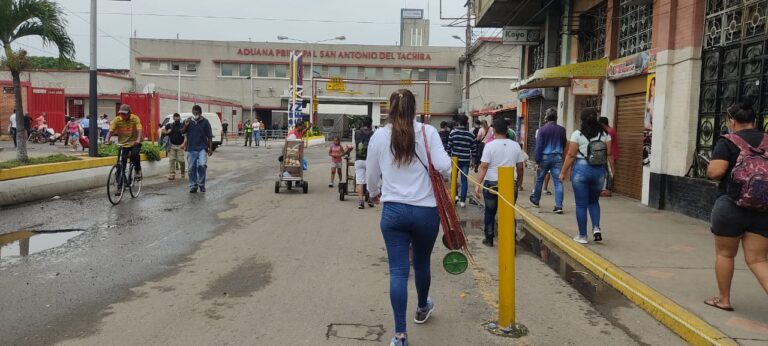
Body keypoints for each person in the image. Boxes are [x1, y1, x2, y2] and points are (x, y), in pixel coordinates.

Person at [366, 89, 450, 346]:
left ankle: (400, 336)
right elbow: (444, 166)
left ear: (389, 109)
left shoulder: (379, 136)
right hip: (426, 211)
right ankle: (423, 307)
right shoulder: (428, 132)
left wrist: (374, 193)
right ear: (415, 109)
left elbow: (371, 174)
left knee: (398, 271)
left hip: (394, 212)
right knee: (422, 264)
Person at [704, 100, 768, 311]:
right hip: (763, 208)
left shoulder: (728, 141)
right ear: (754, 120)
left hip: (731, 206)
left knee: (725, 254)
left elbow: (715, 172)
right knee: (758, 260)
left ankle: (724, 300)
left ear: (732, 121)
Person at [559, 108, 613, 244]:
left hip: (581, 170)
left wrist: (563, 172)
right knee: (594, 202)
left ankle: (582, 236)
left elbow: (571, 155)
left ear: (582, 120)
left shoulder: (577, 134)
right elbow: (609, 154)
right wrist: (612, 171)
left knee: (581, 205)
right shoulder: (605, 134)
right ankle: (596, 228)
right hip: (599, 171)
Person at [474, 118, 525, 247]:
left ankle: (489, 238)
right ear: (507, 130)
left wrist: (477, 184)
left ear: (494, 130)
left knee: (490, 212)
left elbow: (483, 166)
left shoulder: (489, 146)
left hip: (491, 184)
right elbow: (520, 167)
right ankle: (510, 241)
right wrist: (519, 182)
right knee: (509, 213)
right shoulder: (516, 145)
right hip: (510, 184)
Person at [530, 108, 567, 214]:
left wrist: (537, 160)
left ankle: (536, 200)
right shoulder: (562, 130)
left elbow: (539, 147)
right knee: (558, 182)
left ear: (546, 118)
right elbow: (564, 143)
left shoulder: (542, 130)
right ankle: (559, 206)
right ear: (556, 118)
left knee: (539, 180)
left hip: (544, 157)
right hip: (557, 157)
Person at [105, 105, 143, 192]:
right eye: (121, 113)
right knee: (120, 164)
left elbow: (139, 130)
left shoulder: (135, 118)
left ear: (129, 113)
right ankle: (121, 185)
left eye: (124, 114)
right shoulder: (117, 120)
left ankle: (137, 170)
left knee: (134, 155)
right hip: (123, 143)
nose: (122, 115)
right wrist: (107, 140)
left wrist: (138, 140)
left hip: (135, 142)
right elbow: (111, 131)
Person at [447, 114, 477, 208]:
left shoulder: (453, 133)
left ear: (458, 122)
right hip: (466, 160)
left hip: (454, 160)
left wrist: (448, 158)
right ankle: (463, 201)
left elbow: (449, 148)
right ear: (466, 123)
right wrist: (473, 162)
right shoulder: (471, 135)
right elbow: (474, 150)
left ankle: (455, 195)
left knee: (453, 178)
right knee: (464, 180)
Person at [183, 105, 213, 193]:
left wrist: (210, 148)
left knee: (202, 165)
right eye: (193, 112)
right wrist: (186, 125)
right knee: (191, 168)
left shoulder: (205, 122)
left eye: (196, 113)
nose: (195, 114)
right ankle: (193, 185)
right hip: (191, 148)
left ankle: (201, 184)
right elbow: (182, 131)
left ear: (200, 113)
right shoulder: (188, 121)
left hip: (202, 148)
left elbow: (209, 136)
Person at [354, 117, 374, 209]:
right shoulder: (372, 133)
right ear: (370, 124)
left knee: (360, 182)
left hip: (359, 159)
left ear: (362, 124)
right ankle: (370, 199)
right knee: (370, 180)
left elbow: (356, 143)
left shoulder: (357, 132)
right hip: (370, 160)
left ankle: (360, 202)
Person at [599, 117, 619, 197]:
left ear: (602, 124)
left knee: (609, 172)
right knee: (607, 172)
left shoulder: (609, 132)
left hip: (610, 155)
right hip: (609, 154)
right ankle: (606, 189)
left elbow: (606, 144)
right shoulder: (610, 130)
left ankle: (608, 190)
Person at [162, 113, 186, 180]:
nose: (177, 120)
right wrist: (167, 132)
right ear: (173, 118)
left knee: (181, 160)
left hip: (180, 146)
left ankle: (182, 172)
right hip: (172, 145)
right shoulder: (170, 125)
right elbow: (162, 130)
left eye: (178, 118)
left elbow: (186, 134)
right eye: (176, 119)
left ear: (179, 118)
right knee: (171, 160)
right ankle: (172, 174)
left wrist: (184, 144)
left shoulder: (182, 125)